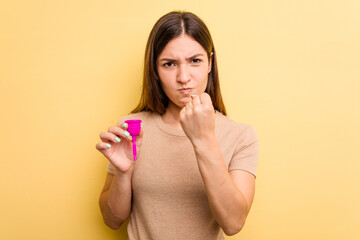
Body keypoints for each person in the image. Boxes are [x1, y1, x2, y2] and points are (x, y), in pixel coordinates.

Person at [96, 11, 259, 240]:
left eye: (195, 61)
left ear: (210, 63)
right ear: (155, 69)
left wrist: (204, 140)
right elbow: (112, 220)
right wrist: (124, 173)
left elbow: (233, 223)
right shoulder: (131, 129)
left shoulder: (241, 136)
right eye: (169, 64)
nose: (184, 77)